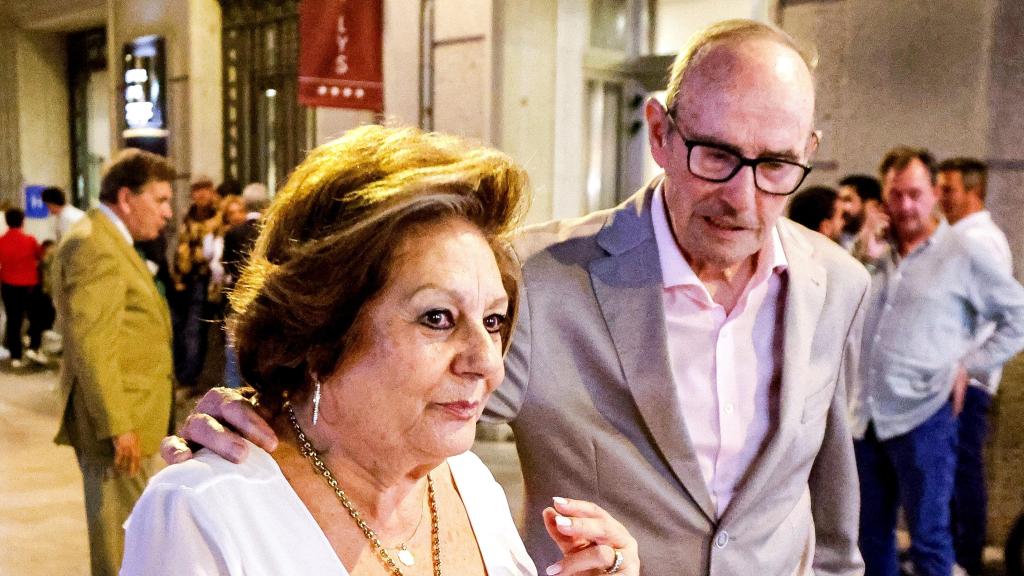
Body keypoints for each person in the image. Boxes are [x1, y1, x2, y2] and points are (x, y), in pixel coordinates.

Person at [166, 20, 869, 576]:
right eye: (715, 155)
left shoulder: (835, 282)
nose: (743, 198)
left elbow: (831, 503)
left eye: (777, 165)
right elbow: (388, 386)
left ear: (807, 150)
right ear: (660, 131)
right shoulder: (541, 277)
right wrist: (266, 417)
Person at [121, 125, 639, 576]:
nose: (487, 363)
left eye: (493, 320)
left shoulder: (470, 486)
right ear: (322, 332)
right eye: (437, 318)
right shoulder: (203, 515)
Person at [850, 147, 1024, 576]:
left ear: (933, 195)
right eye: (896, 195)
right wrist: (863, 256)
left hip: (925, 416)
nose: (906, 205)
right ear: (884, 198)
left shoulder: (963, 252)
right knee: (870, 539)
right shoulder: (876, 256)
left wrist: (971, 364)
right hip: (867, 418)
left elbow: (1018, 313)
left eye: (915, 193)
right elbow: (839, 310)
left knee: (930, 541)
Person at [53, 148, 176, 576]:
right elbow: (93, 344)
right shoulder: (95, 245)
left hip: (132, 417)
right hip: (119, 429)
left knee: (134, 537)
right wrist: (117, 425)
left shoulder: (107, 239)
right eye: (159, 200)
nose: (167, 213)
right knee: (120, 544)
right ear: (127, 198)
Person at [936, 157, 1013, 576]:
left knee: (962, 469)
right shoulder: (957, 237)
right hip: (953, 375)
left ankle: (963, 559)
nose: (939, 198)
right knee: (948, 470)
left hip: (965, 379)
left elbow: (989, 314)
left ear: (973, 192)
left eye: (948, 190)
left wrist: (967, 366)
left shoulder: (979, 240)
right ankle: (950, 555)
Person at [170, 177, 220, 390]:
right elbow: (181, 243)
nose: (200, 195)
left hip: (204, 278)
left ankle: (189, 377)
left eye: (204, 190)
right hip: (184, 278)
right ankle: (182, 374)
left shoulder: (218, 217)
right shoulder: (188, 216)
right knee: (179, 327)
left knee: (194, 329)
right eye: (196, 190)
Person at [220, 183, 269, 388]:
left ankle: (232, 400)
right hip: (264, 303)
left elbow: (226, 266)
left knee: (233, 356)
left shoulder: (233, 233)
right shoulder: (270, 231)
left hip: (237, 302)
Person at [0, 207, 47, 367]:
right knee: (35, 318)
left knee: (13, 320)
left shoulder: (1, 241)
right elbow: (40, 256)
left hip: (8, 285)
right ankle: (34, 347)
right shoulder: (30, 240)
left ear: (7, 222)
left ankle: (15, 356)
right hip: (29, 285)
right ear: (22, 221)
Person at [837, 174, 883, 252]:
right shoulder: (835, 241)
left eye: (847, 200)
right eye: (839, 201)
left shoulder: (884, 247)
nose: (840, 207)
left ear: (872, 205)